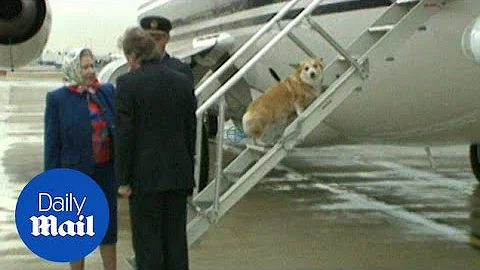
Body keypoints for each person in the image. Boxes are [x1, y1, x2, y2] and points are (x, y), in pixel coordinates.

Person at [115, 27, 195, 270]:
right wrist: (188, 171)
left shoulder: (127, 83)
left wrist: (123, 179)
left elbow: (125, 135)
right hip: (178, 177)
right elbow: (189, 131)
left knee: (148, 248)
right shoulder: (182, 81)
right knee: (176, 246)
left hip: (144, 180)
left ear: (131, 56)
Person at [44, 48, 117, 270]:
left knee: (108, 230)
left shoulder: (106, 91)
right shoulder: (58, 98)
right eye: (84, 66)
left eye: (92, 65)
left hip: (105, 171)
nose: (89, 71)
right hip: (74, 174)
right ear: (73, 68)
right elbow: (52, 142)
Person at [140, 15, 209, 193]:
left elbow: (189, 120)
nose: (153, 42)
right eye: (149, 37)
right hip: (144, 164)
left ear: (167, 39)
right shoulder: (133, 72)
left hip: (173, 163)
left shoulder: (181, 70)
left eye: (158, 37)